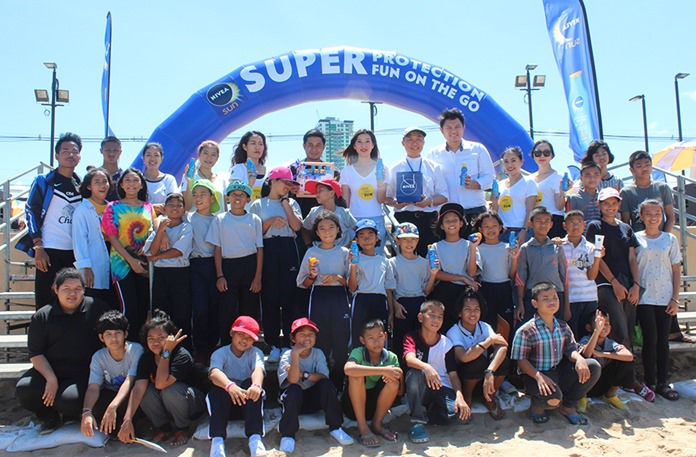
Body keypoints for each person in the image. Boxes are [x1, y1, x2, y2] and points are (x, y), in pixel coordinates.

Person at [15, 268, 109, 433]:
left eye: (78, 289)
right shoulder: (42, 316)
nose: (72, 294)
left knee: (68, 402)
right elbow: (36, 353)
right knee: (25, 389)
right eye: (66, 289)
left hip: (82, 372)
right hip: (50, 369)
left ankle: (69, 413)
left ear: (84, 290)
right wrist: (51, 378)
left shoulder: (97, 308)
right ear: (56, 290)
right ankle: (47, 416)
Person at [510, 282, 601, 425]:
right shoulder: (526, 330)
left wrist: (579, 359)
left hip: (558, 371)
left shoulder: (563, 326)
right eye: (545, 298)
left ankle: (568, 406)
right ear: (535, 303)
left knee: (593, 366)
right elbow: (521, 361)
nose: (551, 301)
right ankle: (537, 406)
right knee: (552, 402)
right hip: (536, 375)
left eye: (554, 297)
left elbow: (571, 349)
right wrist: (538, 377)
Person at [117, 310, 205, 447]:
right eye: (151, 338)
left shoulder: (181, 355)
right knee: (145, 392)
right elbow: (139, 387)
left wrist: (166, 352)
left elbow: (161, 384)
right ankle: (163, 428)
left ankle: (182, 428)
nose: (156, 342)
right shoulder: (146, 358)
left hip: (191, 403)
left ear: (170, 338)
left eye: (161, 337)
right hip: (166, 404)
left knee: (169, 390)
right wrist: (127, 418)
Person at [22, 132, 83, 309]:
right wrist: (38, 246)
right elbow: (31, 210)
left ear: (79, 156)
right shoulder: (44, 181)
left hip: (75, 253)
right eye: (65, 151)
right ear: (57, 155)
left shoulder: (82, 185)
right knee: (45, 304)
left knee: (74, 303)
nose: (70, 154)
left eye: (75, 151)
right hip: (49, 251)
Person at [249, 166, 303, 362]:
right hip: (267, 248)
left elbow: (297, 227)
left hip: (288, 247)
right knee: (270, 296)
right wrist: (270, 220)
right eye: (283, 182)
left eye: (290, 183)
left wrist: (286, 204)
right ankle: (272, 344)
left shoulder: (292, 203)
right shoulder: (258, 205)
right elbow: (253, 233)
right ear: (272, 181)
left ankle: (289, 342)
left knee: (290, 295)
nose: (287, 186)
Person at [277, 318, 354, 453]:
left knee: (326, 385)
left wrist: (304, 374)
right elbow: (293, 381)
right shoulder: (287, 355)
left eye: (311, 334)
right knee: (294, 390)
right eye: (302, 334)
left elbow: (324, 376)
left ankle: (336, 427)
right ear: (293, 338)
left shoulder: (318, 353)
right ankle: (288, 435)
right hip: (294, 401)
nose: (307, 337)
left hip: (313, 399)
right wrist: (295, 354)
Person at [296, 211, 351, 390]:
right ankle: (322, 384)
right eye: (322, 228)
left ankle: (338, 384)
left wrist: (337, 277)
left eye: (331, 227)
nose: (327, 231)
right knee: (321, 341)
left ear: (338, 230)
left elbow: (351, 284)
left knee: (341, 342)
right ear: (317, 233)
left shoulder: (344, 252)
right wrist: (312, 276)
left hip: (339, 297)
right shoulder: (312, 252)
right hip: (318, 296)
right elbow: (302, 284)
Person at [403, 300, 470, 444]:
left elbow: (453, 375)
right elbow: (409, 359)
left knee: (459, 416)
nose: (436, 320)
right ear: (421, 317)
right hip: (423, 385)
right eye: (432, 315)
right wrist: (427, 367)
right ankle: (417, 422)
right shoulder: (412, 337)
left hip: (442, 387)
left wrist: (460, 396)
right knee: (414, 374)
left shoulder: (446, 343)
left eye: (440, 317)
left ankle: (427, 412)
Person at [635, 199, 681, 400]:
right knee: (650, 339)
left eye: (657, 214)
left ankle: (663, 382)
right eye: (648, 214)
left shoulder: (670, 239)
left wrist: (675, 298)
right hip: (644, 297)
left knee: (663, 340)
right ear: (641, 216)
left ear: (662, 216)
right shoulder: (635, 238)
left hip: (665, 297)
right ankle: (650, 382)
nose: (653, 218)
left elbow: (676, 269)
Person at [207, 181, 263, 346]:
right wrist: (220, 276)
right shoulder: (220, 219)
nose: (237, 198)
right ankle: (226, 347)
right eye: (233, 194)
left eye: (241, 195)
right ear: (228, 198)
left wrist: (257, 277)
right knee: (227, 311)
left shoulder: (254, 219)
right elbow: (217, 249)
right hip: (228, 266)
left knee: (249, 310)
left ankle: (249, 347)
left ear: (248, 199)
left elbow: (260, 249)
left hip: (250, 265)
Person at [102, 168, 155, 338]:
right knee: (128, 307)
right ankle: (126, 344)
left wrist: (147, 245)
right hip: (121, 263)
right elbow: (112, 237)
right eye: (128, 180)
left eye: (135, 180)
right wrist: (131, 261)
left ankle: (140, 347)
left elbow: (153, 231)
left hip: (145, 263)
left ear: (141, 185)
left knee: (143, 307)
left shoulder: (148, 207)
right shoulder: (112, 207)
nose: (132, 184)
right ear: (122, 184)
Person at [426, 108, 495, 231]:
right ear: (441, 130)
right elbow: (429, 183)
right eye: (448, 127)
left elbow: (490, 177)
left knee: (477, 249)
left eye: (457, 126)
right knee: (451, 250)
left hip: (475, 210)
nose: (453, 131)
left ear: (463, 127)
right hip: (448, 214)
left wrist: (476, 184)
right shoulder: (433, 154)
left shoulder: (478, 149)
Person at [207, 316, 266, 457]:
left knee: (250, 385)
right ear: (232, 333)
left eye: (249, 337)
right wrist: (230, 386)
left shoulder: (256, 353)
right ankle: (217, 442)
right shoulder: (220, 353)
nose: (244, 340)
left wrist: (256, 385)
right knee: (217, 390)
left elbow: (258, 370)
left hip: (247, 404)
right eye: (241, 334)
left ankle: (255, 439)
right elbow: (214, 373)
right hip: (226, 405)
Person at [386, 126, 448, 257]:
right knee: (401, 260)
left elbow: (444, 196)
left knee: (429, 259)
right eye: (410, 139)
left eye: (419, 139)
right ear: (403, 143)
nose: (415, 143)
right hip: (404, 218)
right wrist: (395, 203)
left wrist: (429, 202)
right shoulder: (394, 168)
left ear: (424, 142)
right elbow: (387, 197)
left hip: (428, 220)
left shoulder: (434, 167)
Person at [446, 291, 508, 420]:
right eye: (468, 309)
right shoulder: (454, 331)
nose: (473, 313)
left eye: (476, 309)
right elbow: (463, 357)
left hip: (484, 375)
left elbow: (502, 346)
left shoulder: (484, 327)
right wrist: (489, 341)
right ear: (460, 312)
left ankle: (490, 396)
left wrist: (490, 371)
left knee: (503, 361)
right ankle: (467, 397)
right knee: (476, 361)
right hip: (463, 375)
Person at [80, 310, 143, 438]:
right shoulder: (98, 357)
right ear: (101, 337)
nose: (113, 339)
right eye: (108, 334)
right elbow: (93, 387)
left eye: (117, 333)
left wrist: (112, 407)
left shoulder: (136, 350)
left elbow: (130, 380)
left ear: (125, 334)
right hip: (111, 395)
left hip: (131, 395)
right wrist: (86, 412)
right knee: (96, 408)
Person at [342, 319, 402, 448]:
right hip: (353, 407)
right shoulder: (358, 352)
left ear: (385, 336)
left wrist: (398, 376)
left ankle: (377, 424)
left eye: (380, 337)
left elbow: (400, 392)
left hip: (377, 407)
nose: (377, 341)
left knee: (393, 382)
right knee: (355, 376)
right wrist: (383, 371)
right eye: (371, 338)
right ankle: (363, 428)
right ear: (363, 340)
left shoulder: (391, 357)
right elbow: (348, 369)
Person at [145, 192, 193, 342]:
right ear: (164, 208)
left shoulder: (186, 227)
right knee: (160, 312)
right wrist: (161, 231)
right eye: (171, 205)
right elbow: (151, 251)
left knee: (182, 313)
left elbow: (178, 251)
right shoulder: (159, 227)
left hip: (180, 274)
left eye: (179, 205)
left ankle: (183, 349)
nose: (175, 208)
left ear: (184, 209)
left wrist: (158, 256)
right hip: (161, 274)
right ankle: (161, 348)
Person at [389, 222, 438, 363]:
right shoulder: (392, 262)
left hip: (420, 304)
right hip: (402, 305)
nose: (409, 243)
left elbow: (427, 291)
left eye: (413, 239)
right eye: (404, 239)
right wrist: (395, 306)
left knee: (421, 341)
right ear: (397, 240)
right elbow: (389, 289)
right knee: (401, 342)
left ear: (418, 240)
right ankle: (401, 376)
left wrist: (434, 274)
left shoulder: (424, 263)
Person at [429, 203, 480, 331]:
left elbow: (472, 273)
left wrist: (473, 249)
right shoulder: (435, 247)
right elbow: (437, 273)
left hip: (465, 293)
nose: (451, 223)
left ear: (461, 223)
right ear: (441, 225)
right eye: (447, 221)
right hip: (444, 290)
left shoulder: (469, 245)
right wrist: (463, 278)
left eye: (455, 220)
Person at [187, 179, 222, 359]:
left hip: (215, 265)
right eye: (195, 194)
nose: (198, 198)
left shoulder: (219, 220)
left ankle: (214, 346)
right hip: (195, 265)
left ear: (212, 198)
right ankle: (201, 349)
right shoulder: (188, 218)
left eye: (203, 194)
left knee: (214, 306)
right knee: (200, 308)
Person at [471, 211, 519, 337]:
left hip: (505, 289)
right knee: (487, 323)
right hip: (486, 289)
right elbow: (473, 273)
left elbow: (512, 275)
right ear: (480, 229)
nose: (490, 229)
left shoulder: (508, 247)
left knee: (506, 324)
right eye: (486, 226)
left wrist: (514, 259)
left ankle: (505, 354)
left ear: (500, 227)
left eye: (494, 226)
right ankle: (487, 353)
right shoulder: (477, 248)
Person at [348, 219, 396, 346]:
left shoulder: (385, 261)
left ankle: (380, 363)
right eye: (362, 236)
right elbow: (352, 288)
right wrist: (353, 267)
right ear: (357, 240)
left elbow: (388, 289)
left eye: (370, 235)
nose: (366, 239)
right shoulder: (356, 260)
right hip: (361, 299)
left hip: (380, 301)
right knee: (359, 335)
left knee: (380, 335)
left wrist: (391, 313)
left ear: (377, 237)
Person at [515, 206, 568, 323]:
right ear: (530, 224)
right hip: (533, 296)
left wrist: (567, 306)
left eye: (546, 222)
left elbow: (564, 277)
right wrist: (520, 303)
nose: (543, 225)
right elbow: (521, 277)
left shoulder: (557, 247)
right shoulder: (526, 248)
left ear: (551, 224)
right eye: (538, 221)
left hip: (556, 296)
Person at [577, 311, 635, 411]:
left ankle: (610, 395)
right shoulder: (586, 340)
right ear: (589, 327)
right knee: (588, 362)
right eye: (600, 324)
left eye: (606, 324)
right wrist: (596, 332)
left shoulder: (610, 343)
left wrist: (603, 354)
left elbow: (629, 356)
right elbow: (586, 354)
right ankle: (582, 397)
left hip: (602, 383)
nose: (603, 327)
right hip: (587, 385)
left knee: (625, 362)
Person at [339, 129, 389, 245]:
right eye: (359, 142)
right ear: (354, 146)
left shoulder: (382, 168)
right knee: (356, 259)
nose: (364, 145)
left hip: (376, 219)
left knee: (375, 259)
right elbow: (345, 202)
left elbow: (381, 200)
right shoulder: (347, 171)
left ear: (373, 145)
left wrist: (380, 184)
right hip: (354, 220)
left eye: (367, 141)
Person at [72, 167, 113, 305]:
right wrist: (86, 267)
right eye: (97, 182)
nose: (102, 185)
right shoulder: (82, 210)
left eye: (105, 181)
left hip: (113, 265)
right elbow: (79, 240)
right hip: (93, 266)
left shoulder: (112, 208)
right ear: (89, 186)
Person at [561, 210, 602, 339]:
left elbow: (591, 276)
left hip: (589, 298)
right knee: (571, 337)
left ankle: (587, 360)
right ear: (564, 226)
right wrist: (566, 305)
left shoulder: (590, 248)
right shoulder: (559, 246)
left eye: (579, 222)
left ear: (584, 225)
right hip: (570, 299)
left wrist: (597, 258)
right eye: (571, 222)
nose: (575, 226)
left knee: (587, 337)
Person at [490, 146, 537, 244]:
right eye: (506, 161)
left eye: (513, 160)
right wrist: (494, 202)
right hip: (502, 230)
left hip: (520, 229)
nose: (509, 165)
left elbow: (530, 209)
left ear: (521, 162)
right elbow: (495, 211)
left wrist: (524, 230)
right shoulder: (499, 184)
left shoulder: (529, 182)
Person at [290, 129, 340, 218]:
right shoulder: (293, 169)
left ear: (324, 147)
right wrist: (289, 189)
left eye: (318, 145)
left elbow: (338, 198)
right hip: (298, 218)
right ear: (304, 146)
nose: (314, 149)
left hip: (325, 222)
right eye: (310, 145)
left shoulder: (333, 172)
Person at [302, 178, 356, 248]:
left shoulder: (344, 213)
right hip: (320, 255)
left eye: (320, 191)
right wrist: (308, 245)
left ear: (331, 193)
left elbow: (357, 230)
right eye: (316, 191)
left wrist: (349, 245)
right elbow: (305, 229)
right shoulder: (314, 212)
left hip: (341, 255)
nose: (317, 194)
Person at [530, 140, 567, 238]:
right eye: (538, 153)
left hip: (553, 221)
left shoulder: (559, 176)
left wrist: (563, 193)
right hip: (534, 222)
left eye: (546, 153)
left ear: (551, 155)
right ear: (533, 156)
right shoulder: (528, 179)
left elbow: (559, 206)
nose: (542, 156)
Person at [181, 140, 228, 215]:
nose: (209, 158)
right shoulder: (189, 177)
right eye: (205, 153)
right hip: (196, 224)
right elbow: (187, 207)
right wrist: (190, 182)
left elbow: (225, 209)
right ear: (199, 155)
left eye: (213, 155)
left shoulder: (221, 180)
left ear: (217, 158)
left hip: (218, 224)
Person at [229, 131, 268, 202]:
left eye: (261, 144)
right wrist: (250, 184)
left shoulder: (269, 172)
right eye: (253, 143)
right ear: (245, 147)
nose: (257, 147)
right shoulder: (238, 169)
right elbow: (234, 199)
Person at [141, 142, 178, 207]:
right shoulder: (137, 179)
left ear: (161, 159)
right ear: (143, 158)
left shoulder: (169, 180)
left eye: (156, 155)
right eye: (148, 155)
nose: (152, 158)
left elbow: (174, 203)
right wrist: (152, 208)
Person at [100, 136, 123, 202]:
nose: (111, 154)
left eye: (115, 150)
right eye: (107, 150)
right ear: (101, 151)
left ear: (120, 152)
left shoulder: (125, 177)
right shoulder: (93, 176)